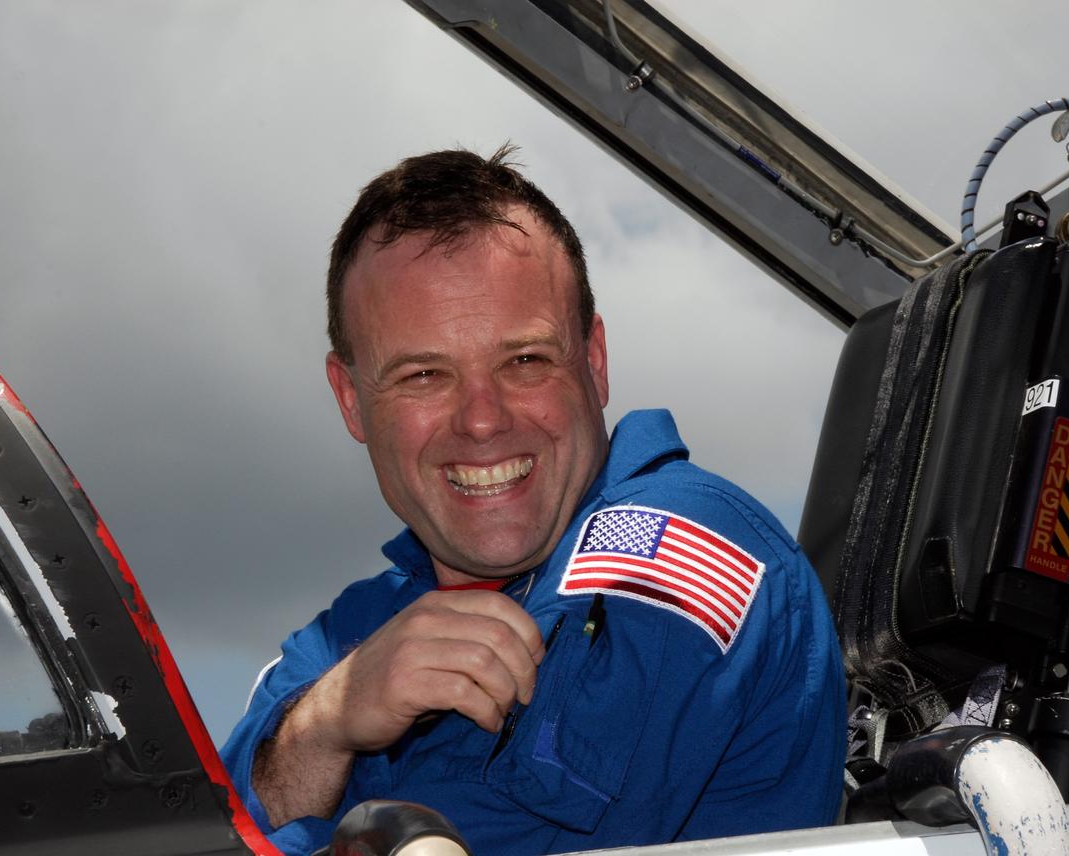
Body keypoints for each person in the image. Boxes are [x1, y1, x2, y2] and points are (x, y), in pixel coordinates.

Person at [221, 146, 845, 855]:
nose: (482, 420)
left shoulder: (677, 548)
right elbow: (195, 823)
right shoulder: (345, 640)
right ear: (350, 400)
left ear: (595, 360)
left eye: (525, 361)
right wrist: (321, 724)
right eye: (424, 375)